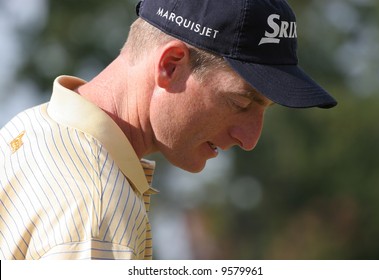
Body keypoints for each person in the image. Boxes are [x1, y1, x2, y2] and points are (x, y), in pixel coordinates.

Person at [0, 0, 337, 260]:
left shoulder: (27, 130)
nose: (249, 139)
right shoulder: (98, 210)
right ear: (170, 65)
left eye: (265, 109)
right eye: (240, 102)